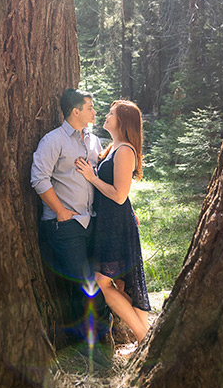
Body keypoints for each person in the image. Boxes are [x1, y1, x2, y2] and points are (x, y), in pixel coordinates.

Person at [31, 88, 110, 347]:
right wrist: (62, 212)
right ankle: (90, 346)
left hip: (93, 222)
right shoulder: (52, 140)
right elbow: (39, 178)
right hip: (65, 226)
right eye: (90, 108)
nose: (94, 112)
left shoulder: (94, 141)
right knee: (83, 285)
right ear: (75, 111)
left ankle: (97, 341)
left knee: (97, 280)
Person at [75, 100, 151, 343]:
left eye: (111, 113)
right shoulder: (113, 147)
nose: (106, 116)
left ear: (122, 122)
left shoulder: (125, 150)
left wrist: (91, 177)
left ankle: (143, 337)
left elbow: (120, 195)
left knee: (103, 282)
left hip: (116, 225)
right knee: (123, 284)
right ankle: (148, 340)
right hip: (109, 222)